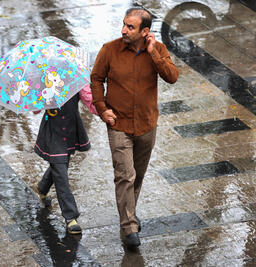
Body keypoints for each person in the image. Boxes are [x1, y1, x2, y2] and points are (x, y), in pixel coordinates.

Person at [90, 7, 179, 248]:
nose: (124, 30)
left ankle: (129, 212)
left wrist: (153, 54)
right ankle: (128, 227)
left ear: (145, 31)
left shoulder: (157, 50)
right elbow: (96, 78)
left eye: (130, 27)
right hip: (118, 123)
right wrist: (101, 107)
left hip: (147, 124)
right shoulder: (109, 50)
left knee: (136, 175)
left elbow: (172, 77)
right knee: (125, 175)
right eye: (124, 25)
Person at [33, 84, 97, 234]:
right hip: (52, 131)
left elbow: (89, 100)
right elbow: (35, 108)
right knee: (61, 171)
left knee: (60, 165)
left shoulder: (75, 78)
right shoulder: (44, 79)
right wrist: (42, 94)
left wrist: (104, 110)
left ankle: (42, 187)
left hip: (71, 128)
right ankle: (70, 217)